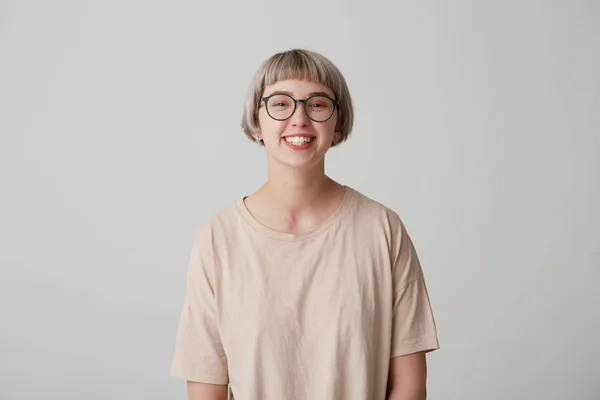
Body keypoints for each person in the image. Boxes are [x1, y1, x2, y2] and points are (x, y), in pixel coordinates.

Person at [170, 48, 440, 400]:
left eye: (317, 103)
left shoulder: (382, 229)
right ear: (256, 122)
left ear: (338, 121)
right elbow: (207, 388)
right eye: (281, 103)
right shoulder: (218, 238)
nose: (299, 119)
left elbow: (409, 385)